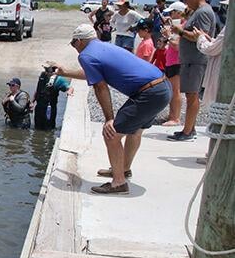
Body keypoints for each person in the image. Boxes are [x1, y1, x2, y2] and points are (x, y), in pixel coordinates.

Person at [54, 24, 171, 195]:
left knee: (111, 133)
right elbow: (93, 73)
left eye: (73, 44)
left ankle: (119, 183)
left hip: (149, 93)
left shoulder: (86, 55)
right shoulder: (103, 47)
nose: (74, 48)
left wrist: (109, 119)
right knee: (135, 131)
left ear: (79, 41)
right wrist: (64, 72)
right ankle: (123, 169)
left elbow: (100, 87)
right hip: (162, 87)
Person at [167, 0, 217, 142]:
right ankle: (190, 128)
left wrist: (179, 31)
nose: (185, 2)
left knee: (192, 95)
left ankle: (188, 132)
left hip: (196, 60)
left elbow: (201, 36)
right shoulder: (199, 11)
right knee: (190, 94)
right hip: (191, 60)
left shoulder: (203, 12)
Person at [160, 1, 186, 126]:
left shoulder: (183, 26)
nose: (170, 15)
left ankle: (175, 118)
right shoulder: (176, 26)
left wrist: (168, 35)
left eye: (172, 12)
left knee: (176, 90)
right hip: (171, 60)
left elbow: (177, 46)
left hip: (177, 61)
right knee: (172, 90)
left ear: (179, 12)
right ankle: (172, 115)